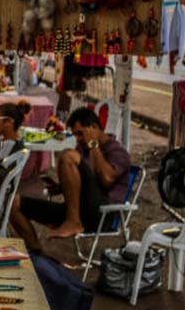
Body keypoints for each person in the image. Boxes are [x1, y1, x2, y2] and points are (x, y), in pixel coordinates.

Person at [10, 107, 130, 252]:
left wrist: (93, 144)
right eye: (75, 135)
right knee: (13, 203)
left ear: (94, 128)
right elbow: (82, 182)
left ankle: (73, 222)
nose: (79, 139)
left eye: (81, 134)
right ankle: (37, 253)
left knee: (68, 156)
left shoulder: (117, 151)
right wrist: (61, 187)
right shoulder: (82, 148)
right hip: (75, 210)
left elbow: (107, 179)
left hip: (101, 214)